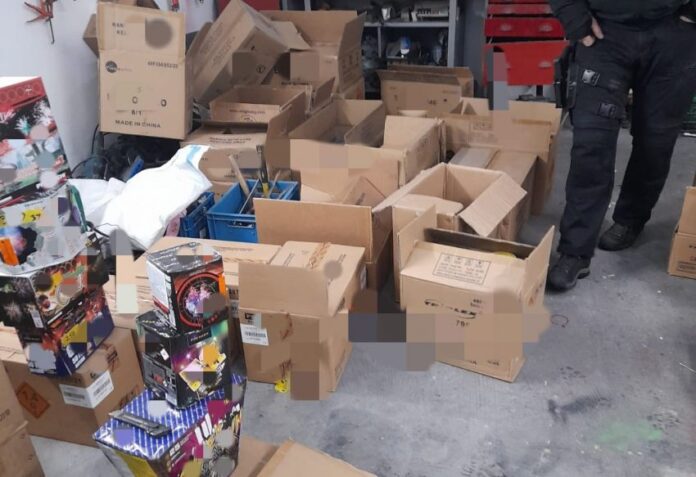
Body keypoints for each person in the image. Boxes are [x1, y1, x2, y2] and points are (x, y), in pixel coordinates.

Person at [547, 0, 696, 291]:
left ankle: (631, 218)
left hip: (674, 31)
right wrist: (573, 15)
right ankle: (575, 250)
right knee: (591, 143)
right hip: (604, 31)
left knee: (655, 140)